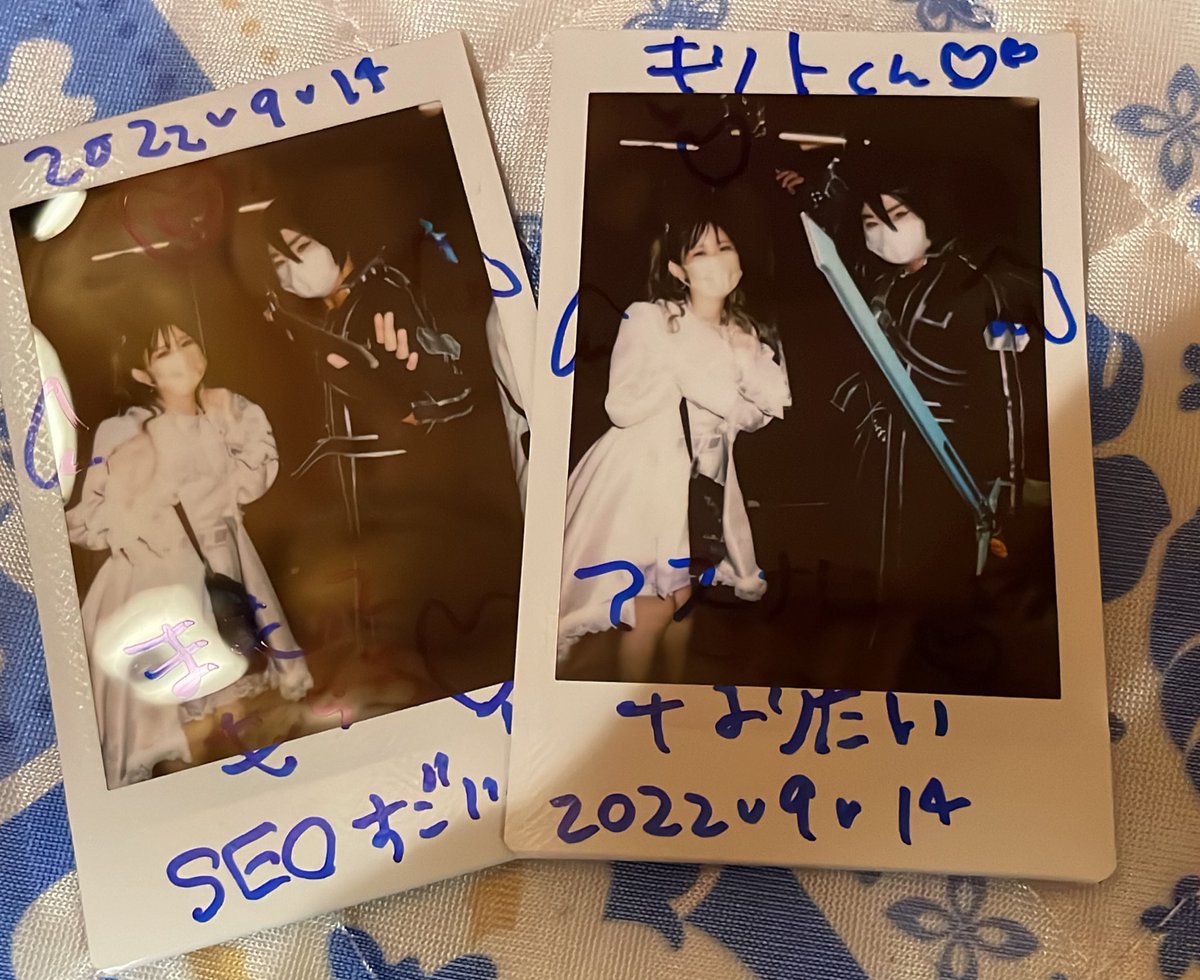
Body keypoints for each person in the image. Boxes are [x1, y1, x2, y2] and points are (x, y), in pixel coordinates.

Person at [776, 157, 1052, 672]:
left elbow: (1009, 396)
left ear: (930, 214)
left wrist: (1013, 489)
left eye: (898, 215)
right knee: (873, 579)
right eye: (871, 223)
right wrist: (809, 196)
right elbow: (839, 255)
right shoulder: (885, 286)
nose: (884, 232)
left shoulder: (980, 287)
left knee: (934, 590)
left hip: (948, 469)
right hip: (880, 460)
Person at [67, 318, 313, 787]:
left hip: (223, 563)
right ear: (143, 374)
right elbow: (95, 513)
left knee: (236, 709)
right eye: (163, 352)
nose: (181, 356)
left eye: (185, 342)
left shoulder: (226, 412)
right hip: (158, 580)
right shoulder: (126, 431)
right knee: (175, 725)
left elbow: (252, 477)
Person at [558, 210, 790, 681]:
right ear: (678, 270)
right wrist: (681, 381)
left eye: (724, 247)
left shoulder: (745, 334)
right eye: (700, 252)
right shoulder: (651, 318)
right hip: (643, 475)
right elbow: (620, 405)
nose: (716, 259)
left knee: (682, 607)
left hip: (701, 483)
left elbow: (761, 414)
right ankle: (628, 716)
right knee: (651, 611)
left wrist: (742, 381)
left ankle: (672, 709)